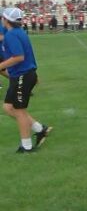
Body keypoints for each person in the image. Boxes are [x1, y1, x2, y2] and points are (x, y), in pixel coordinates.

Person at [0, 8, 51, 152]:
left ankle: (27, 146)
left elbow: (19, 57)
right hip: (21, 75)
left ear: (6, 20)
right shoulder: (17, 33)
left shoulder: (12, 35)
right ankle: (40, 129)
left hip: (23, 75)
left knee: (20, 111)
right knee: (8, 108)